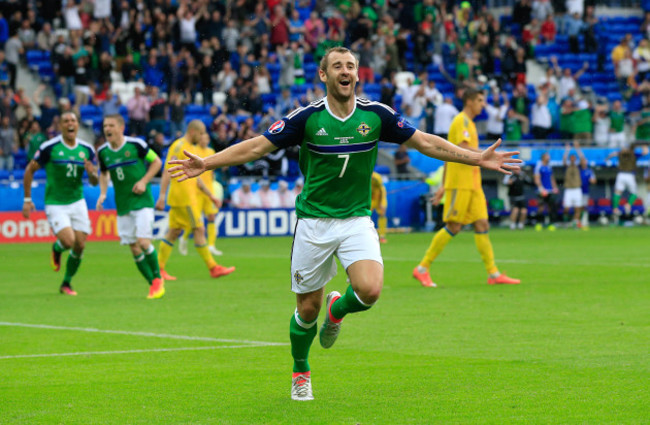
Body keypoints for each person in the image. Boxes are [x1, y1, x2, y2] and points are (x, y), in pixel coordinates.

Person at [167, 47, 521, 401]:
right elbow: (257, 147)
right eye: (337, 66)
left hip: (355, 219)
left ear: (357, 74)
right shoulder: (306, 119)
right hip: (313, 223)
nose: (345, 70)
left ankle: (338, 310)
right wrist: (207, 163)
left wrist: (476, 158)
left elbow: (424, 142)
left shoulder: (376, 115)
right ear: (323, 75)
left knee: (370, 290)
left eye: (350, 65)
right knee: (307, 309)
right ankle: (301, 369)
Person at [412, 89, 521, 289]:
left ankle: (493, 273)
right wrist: (487, 155)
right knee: (454, 226)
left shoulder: (469, 123)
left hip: (473, 183)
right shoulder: (461, 121)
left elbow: (449, 154)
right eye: (480, 100)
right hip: (460, 183)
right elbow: (460, 149)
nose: (482, 104)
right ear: (469, 101)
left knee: (482, 225)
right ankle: (422, 268)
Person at [22, 112, 99, 295]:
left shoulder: (87, 150)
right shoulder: (50, 147)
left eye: (73, 121)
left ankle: (66, 283)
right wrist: (27, 200)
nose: (70, 124)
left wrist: (92, 174)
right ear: (60, 126)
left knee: (80, 245)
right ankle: (57, 248)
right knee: (68, 241)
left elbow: (95, 181)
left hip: (77, 201)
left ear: (78, 125)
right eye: (66, 121)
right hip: (55, 202)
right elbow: (29, 170)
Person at [155, 120, 235, 281]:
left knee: (174, 232)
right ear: (192, 131)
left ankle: (158, 269)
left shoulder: (191, 148)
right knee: (199, 230)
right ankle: (213, 267)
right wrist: (162, 195)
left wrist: (210, 195)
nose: (203, 136)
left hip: (186, 197)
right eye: (201, 133)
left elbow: (195, 177)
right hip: (184, 198)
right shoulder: (179, 146)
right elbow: (167, 171)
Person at [95, 115, 165, 299]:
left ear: (121, 127)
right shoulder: (103, 152)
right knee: (133, 246)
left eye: (111, 125)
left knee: (143, 242)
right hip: (123, 203)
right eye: (105, 126)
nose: (107, 129)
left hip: (142, 201)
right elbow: (103, 174)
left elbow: (157, 162)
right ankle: (153, 284)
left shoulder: (136, 145)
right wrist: (102, 193)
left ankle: (158, 279)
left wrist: (143, 181)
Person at [179, 133, 223, 257]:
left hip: (209, 189)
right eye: (203, 138)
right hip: (196, 191)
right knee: (195, 220)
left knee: (211, 216)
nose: (205, 140)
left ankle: (211, 245)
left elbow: (212, 170)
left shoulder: (211, 151)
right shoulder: (194, 151)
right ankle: (184, 237)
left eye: (207, 138)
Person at [607, 143, 649, 221]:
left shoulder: (621, 154)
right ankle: (628, 205)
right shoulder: (634, 154)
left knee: (617, 192)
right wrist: (644, 146)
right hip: (630, 175)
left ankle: (615, 209)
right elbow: (646, 152)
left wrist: (607, 158)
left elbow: (612, 154)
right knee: (634, 193)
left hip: (620, 174)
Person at [534, 152, 559, 230]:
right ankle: (539, 224)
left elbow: (552, 178)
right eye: (547, 156)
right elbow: (537, 179)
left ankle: (551, 224)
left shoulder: (549, 167)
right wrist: (542, 189)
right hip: (542, 191)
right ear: (543, 157)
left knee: (551, 207)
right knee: (541, 207)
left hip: (550, 190)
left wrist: (555, 187)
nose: (549, 157)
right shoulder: (539, 166)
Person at [562, 144, 583, 228]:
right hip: (569, 189)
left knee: (577, 207)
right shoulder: (567, 166)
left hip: (577, 189)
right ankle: (566, 220)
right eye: (571, 158)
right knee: (566, 208)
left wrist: (578, 149)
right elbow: (564, 160)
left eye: (574, 158)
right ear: (570, 159)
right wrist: (567, 150)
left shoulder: (578, 166)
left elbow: (582, 159)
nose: (573, 159)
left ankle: (576, 222)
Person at [577, 145, 596, 228]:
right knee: (578, 207)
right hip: (577, 191)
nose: (584, 162)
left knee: (584, 206)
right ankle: (577, 221)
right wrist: (578, 149)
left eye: (585, 161)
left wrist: (592, 181)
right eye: (582, 161)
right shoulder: (578, 169)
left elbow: (594, 180)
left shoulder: (589, 171)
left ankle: (584, 221)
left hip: (585, 191)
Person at [370, 171, 388, 243]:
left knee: (382, 214)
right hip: (370, 198)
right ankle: (369, 235)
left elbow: (381, 189)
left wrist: (381, 203)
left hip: (379, 197)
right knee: (366, 216)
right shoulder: (363, 175)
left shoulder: (376, 177)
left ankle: (382, 236)